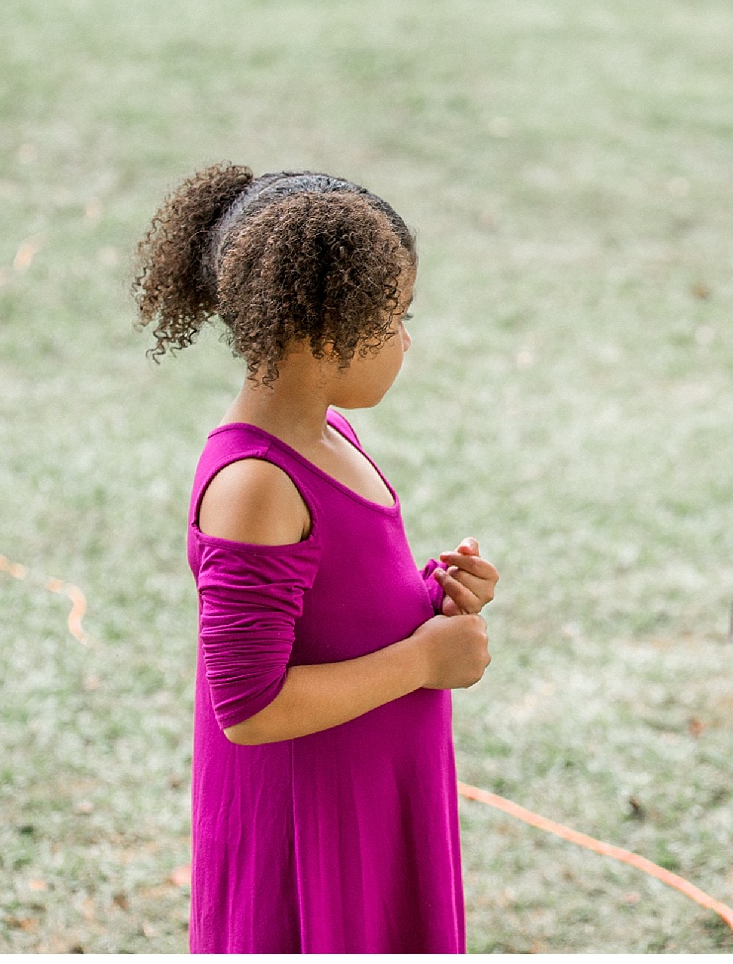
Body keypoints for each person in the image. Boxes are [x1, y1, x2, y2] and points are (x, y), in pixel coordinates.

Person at [133, 165, 498, 954]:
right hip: (309, 831)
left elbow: (332, 603)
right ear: (326, 330)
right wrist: (422, 660)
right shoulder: (256, 485)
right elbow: (251, 707)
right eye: (396, 315)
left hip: (368, 794)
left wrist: (429, 598)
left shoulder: (328, 436)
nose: (407, 338)